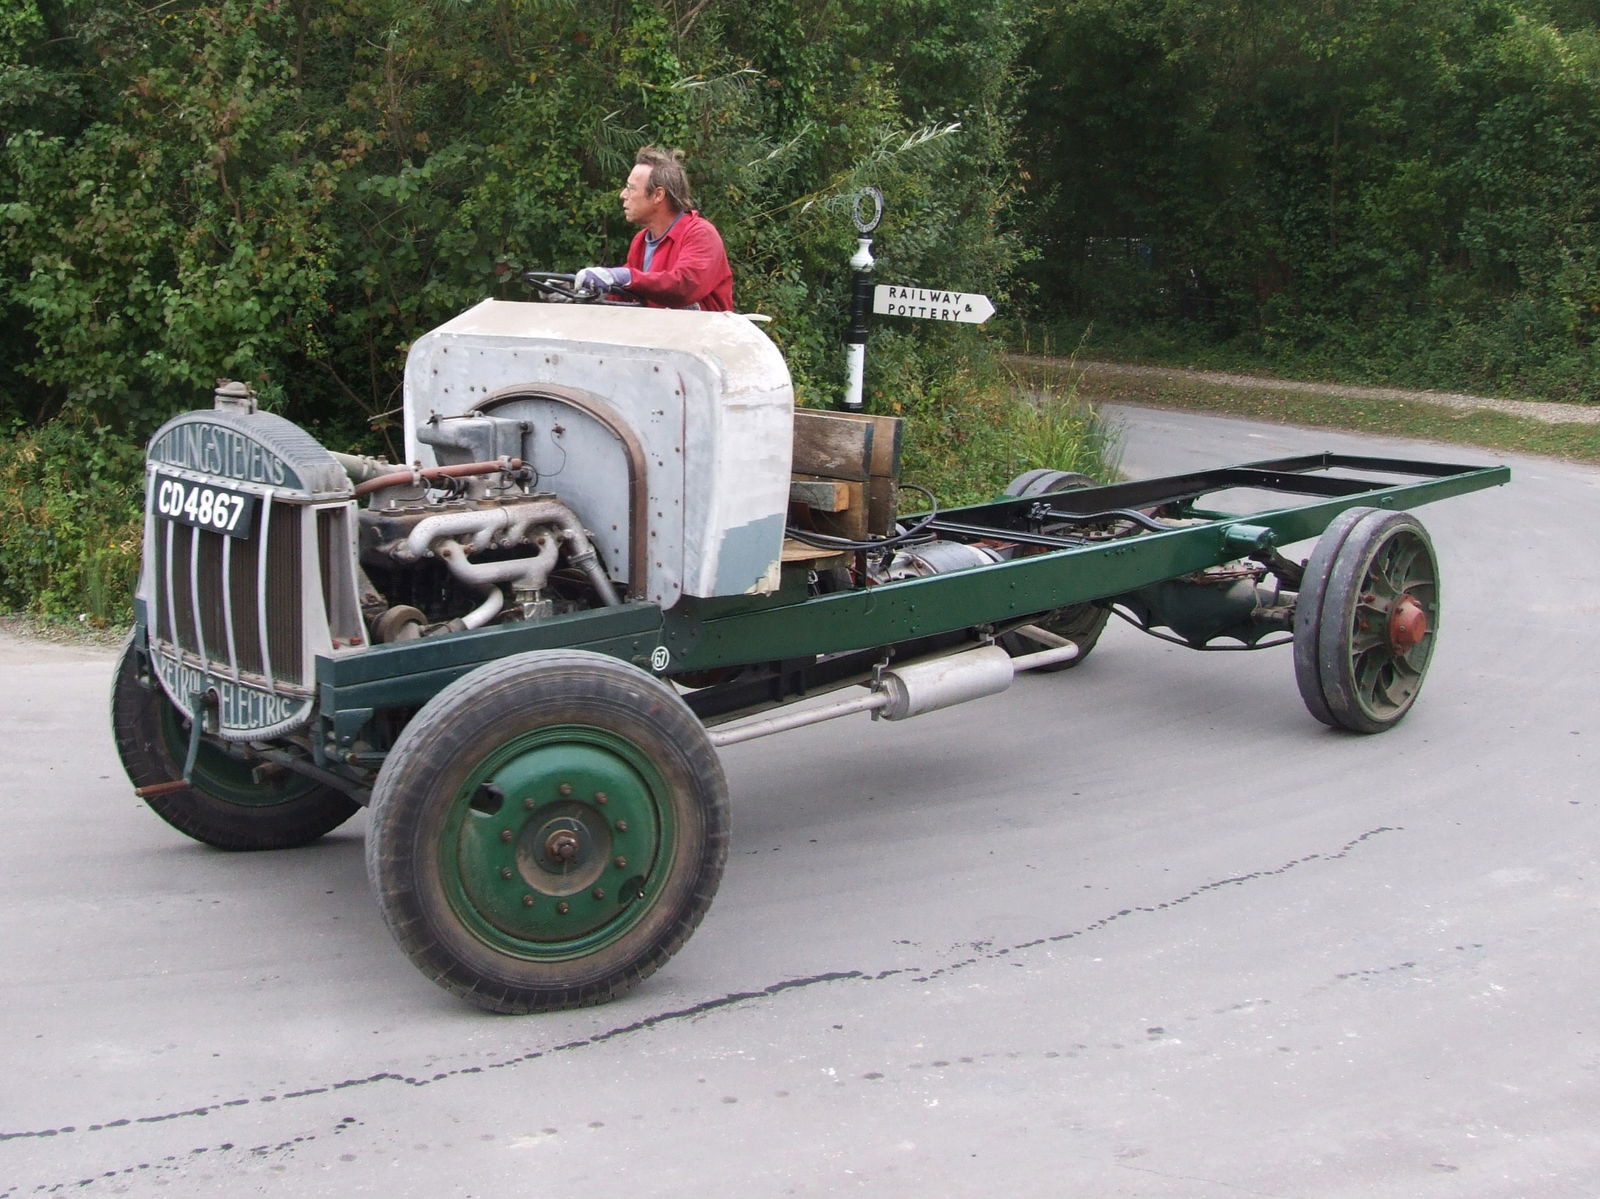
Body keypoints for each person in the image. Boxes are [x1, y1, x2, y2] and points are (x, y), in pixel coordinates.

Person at [576, 146, 734, 312]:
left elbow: (684, 286)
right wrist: (577, 292)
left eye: (631, 188)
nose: (623, 194)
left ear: (658, 195)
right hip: (660, 335)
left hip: (703, 336)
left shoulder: (700, 234)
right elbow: (627, 295)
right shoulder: (641, 241)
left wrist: (624, 277)